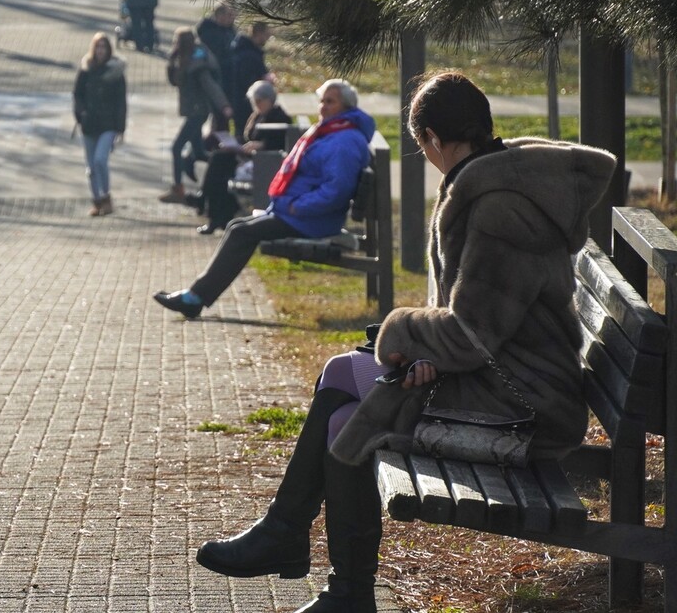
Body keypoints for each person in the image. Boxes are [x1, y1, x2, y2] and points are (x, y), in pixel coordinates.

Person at [192, 71, 617, 613]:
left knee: (348, 417)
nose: (427, 157)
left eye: (422, 146)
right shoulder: (493, 182)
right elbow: (479, 327)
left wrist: (401, 333)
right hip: (498, 377)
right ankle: (304, 550)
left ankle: (320, 566)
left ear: (434, 139)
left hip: (524, 405)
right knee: (341, 376)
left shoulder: (502, 208)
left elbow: (468, 334)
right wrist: (423, 353)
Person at [154, 79, 372, 318]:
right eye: (322, 101)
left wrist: (295, 206)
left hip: (312, 218)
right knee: (237, 225)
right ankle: (196, 295)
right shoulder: (333, 131)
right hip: (300, 213)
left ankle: (195, 298)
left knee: (241, 232)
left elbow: (336, 191)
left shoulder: (344, 140)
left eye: (330, 102)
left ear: (347, 106)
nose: (323, 107)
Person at [196, 80, 291, 235]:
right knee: (219, 159)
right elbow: (247, 138)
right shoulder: (257, 116)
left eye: (260, 101)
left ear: (270, 99)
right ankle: (216, 214)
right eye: (254, 101)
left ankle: (208, 204)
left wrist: (261, 145)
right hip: (248, 158)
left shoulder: (280, 117)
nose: (257, 105)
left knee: (220, 166)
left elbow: (281, 143)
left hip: (264, 162)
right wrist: (234, 143)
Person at [158, 27, 232, 205]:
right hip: (193, 111)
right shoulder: (184, 60)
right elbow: (175, 81)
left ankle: (178, 189)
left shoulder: (198, 64)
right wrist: (171, 62)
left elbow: (210, 86)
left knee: (176, 148)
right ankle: (228, 171)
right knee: (199, 152)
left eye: (177, 41)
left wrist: (224, 105)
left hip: (197, 113)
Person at [73, 32, 127, 217]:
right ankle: (96, 200)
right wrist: (80, 115)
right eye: (97, 47)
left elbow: (121, 101)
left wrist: (120, 127)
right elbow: (77, 94)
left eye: (103, 47)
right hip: (89, 124)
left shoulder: (115, 72)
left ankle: (106, 196)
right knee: (90, 168)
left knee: (100, 160)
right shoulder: (86, 68)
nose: (100, 51)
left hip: (108, 124)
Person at [229, 22, 275, 142]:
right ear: (258, 33)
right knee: (244, 137)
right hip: (245, 104)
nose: (268, 38)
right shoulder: (249, 55)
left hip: (241, 102)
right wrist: (264, 80)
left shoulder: (247, 50)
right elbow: (246, 81)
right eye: (266, 34)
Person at [195, 1, 237, 130]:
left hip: (227, 78)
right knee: (215, 114)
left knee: (220, 117)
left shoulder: (229, 30)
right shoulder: (210, 33)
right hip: (215, 77)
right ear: (220, 16)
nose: (233, 18)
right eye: (230, 15)